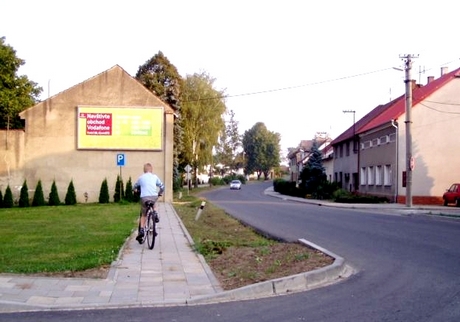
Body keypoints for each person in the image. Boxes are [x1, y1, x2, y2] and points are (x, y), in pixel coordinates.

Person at [133, 163, 165, 243]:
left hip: (144, 198)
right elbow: (162, 186)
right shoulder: (155, 177)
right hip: (154, 196)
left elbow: (134, 187)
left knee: (143, 215)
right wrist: (160, 193)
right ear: (151, 170)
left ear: (144, 170)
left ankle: (142, 230)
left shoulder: (141, 177)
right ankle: (155, 213)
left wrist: (135, 190)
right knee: (154, 203)